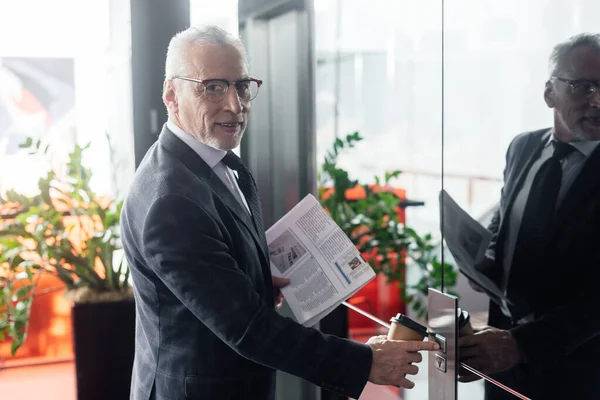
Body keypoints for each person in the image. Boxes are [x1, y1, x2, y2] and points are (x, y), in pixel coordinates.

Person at [120, 25, 438, 400]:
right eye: (213, 87)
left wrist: (252, 278)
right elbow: (247, 330)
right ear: (172, 94)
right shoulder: (172, 201)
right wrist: (365, 362)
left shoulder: (210, 161)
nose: (235, 105)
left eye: (241, 86)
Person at [459, 33, 600, 399]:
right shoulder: (522, 147)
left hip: (577, 367)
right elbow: (505, 217)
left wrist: (519, 345)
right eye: (584, 87)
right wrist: (487, 259)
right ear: (550, 92)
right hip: (501, 353)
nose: (598, 101)